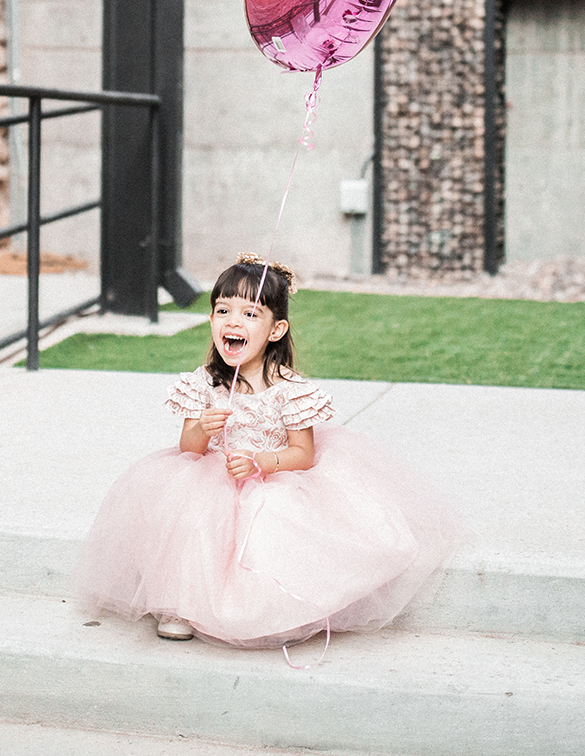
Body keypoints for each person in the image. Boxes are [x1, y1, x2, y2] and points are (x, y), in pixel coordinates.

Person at [73, 255, 457, 650]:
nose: (233, 322)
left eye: (250, 314)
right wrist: (203, 428)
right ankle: (180, 603)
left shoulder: (289, 389)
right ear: (211, 321)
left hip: (269, 475)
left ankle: (270, 605)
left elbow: (302, 453)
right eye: (222, 311)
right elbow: (188, 449)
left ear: (276, 330)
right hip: (211, 474)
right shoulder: (205, 383)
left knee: (275, 523)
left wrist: (261, 462)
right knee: (191, 517)